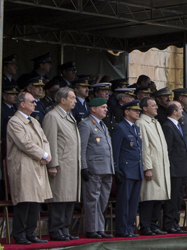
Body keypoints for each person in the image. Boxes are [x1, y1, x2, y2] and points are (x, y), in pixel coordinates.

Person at [8, 91, 51, 243]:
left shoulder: (34, 121)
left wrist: (47, 154)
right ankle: (19, 234)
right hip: (24, 166)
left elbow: (44, 139)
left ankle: (31, 233)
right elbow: (24, 143)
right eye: (32, 101)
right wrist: (43, 155)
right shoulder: (14, 122)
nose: (35, 103)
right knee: (24, 200)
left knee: (36, 201)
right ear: (22, 104)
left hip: (37, 165)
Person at [41, 87, 81, 241]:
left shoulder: (69, 116)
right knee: (59, 198)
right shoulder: (52, 116)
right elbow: (50, 142)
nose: (75, 101)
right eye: (72, 98)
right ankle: (56, 230)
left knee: (69, 198)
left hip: (71, 165)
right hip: (61, 165)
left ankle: (65, 229)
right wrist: (52, 165)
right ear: (63, 100)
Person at [78, 98, 115, 239]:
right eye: (103, 107)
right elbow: (82, 148)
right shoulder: (86, 124)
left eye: (106, 107)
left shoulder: (103, 125)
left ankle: (99, 228)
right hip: (93, 168)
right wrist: (83, 166)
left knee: (103, 200)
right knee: (92, 199)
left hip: (106, 168)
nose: (106, 109)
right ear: (93, 109)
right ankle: (91, 229)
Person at [137, 97, 172, 235]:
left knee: (159, 197)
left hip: (161, 165)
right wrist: (147, 167)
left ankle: (154, 225)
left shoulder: (156, 122)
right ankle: (145, 226)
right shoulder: (141, 123)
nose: (156, 107)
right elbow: (144, 148)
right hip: (152, 166)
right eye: (153, 105)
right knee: (149, 197)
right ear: (145, 108)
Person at [111, 100, 145, 237]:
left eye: (139, 110)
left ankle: (130, 228)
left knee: (133, 202)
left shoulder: (136, 128)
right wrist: (116, 168)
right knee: (124, 202)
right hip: (125, 170)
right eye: (135, 110)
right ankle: (122, 229)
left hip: (136, 169)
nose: (138, 112)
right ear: (126, 112)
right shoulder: (120, 128)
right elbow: (116, 150)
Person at [161, 102, 187, 233]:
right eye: (180, 109)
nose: (182, 110)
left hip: (181, 168)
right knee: (172, 198)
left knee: (178, 197)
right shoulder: (168, 126)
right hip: (174, 169)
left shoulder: (177, 125)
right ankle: (170, 223)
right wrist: (170, 168)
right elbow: (169, 149)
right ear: (174, 112)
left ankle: (175, 222)